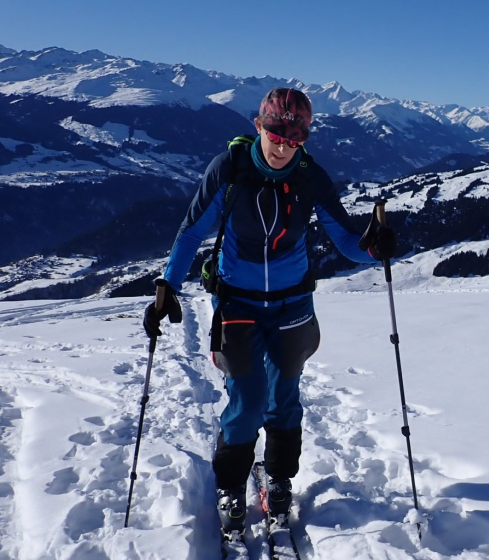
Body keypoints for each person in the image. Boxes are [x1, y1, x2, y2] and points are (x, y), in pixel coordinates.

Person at [142, 87, 396, 533]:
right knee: (249, 398)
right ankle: (230, 486)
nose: (283, 145)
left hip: (293, 303)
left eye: (295, 137)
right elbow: (190, 233)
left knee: (284, 396)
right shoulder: (231, 169)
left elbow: (347, 241)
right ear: (259, 126)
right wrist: (167, 286)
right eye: (276, 132)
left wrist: (375, 248)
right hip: (237, 301)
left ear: (305, 138)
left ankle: (279, 478)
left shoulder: (308, 177)